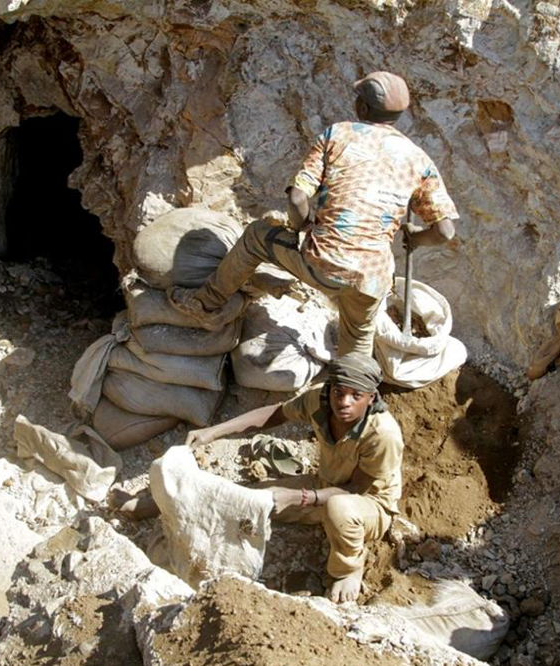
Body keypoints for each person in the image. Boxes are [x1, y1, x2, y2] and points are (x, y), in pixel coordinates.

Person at [167, 71, 459, 356]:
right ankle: (354, 382)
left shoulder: (339, 134)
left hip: (324, 263)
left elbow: (297, 198)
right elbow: (445, 232)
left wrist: (301, 226)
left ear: (362, 107)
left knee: (256, 236)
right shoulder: (419, 160)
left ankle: (205, 304)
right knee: (356, 348)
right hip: (372, 279)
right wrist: (416, 238)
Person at [113, 353, 403, 604]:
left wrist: (301, 497)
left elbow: (356, 488)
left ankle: (348, 569)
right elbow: (276, 414)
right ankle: (160, 503)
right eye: (339, 392)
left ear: (371, 398)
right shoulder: (321, 400)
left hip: (367, 504)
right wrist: (214, 432)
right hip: (324, 484)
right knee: (248, 499)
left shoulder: (383, 435)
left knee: (339, 509)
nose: (344, 402)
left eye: (355, 396)